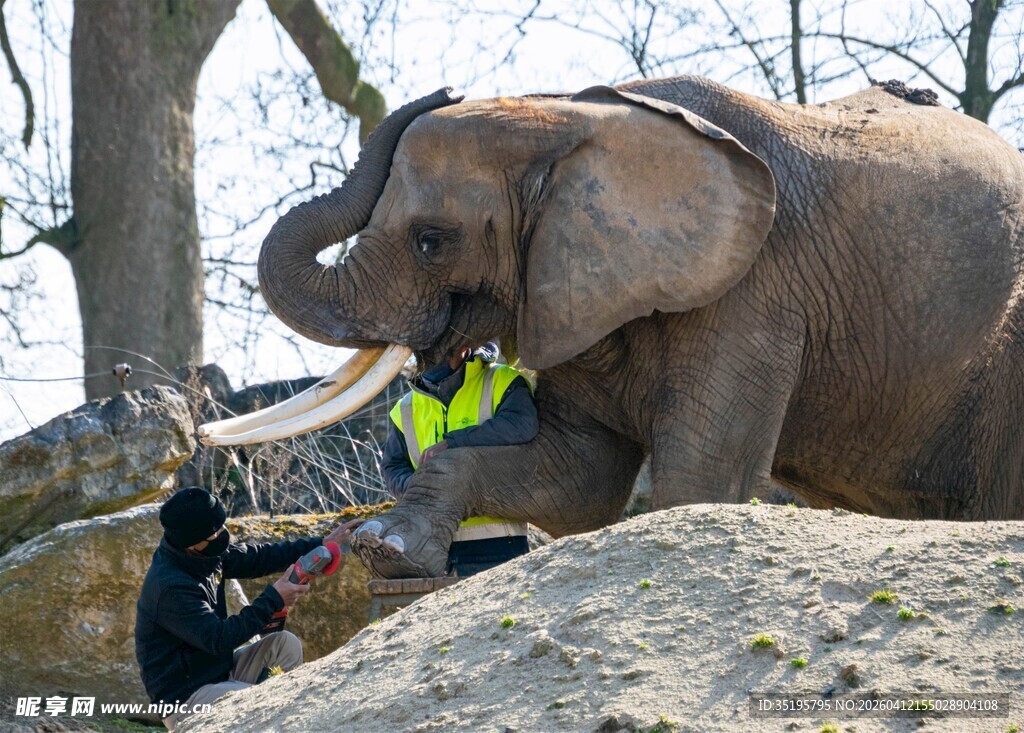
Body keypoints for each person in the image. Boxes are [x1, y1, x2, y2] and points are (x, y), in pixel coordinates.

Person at [134, 487, 363, 730]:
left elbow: (258, 558)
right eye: (215, 533)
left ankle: (287, 720)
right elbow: (219, 638)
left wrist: (320, 544)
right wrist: (274, 599)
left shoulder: (203, 555)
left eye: (222, 526)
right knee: (256, 702)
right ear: (192, 544)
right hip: (186, 699)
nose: (223, 534)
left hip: (220, 674)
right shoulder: (170, 587)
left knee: (285, 645)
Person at [381, 342, 539, 576]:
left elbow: (522, 425)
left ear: (465, 342)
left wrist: (452, 444)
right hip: (431, 547)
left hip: (498, 545)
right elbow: (392, 468)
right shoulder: (405, 408)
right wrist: (422, 488)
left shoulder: (501, 379)